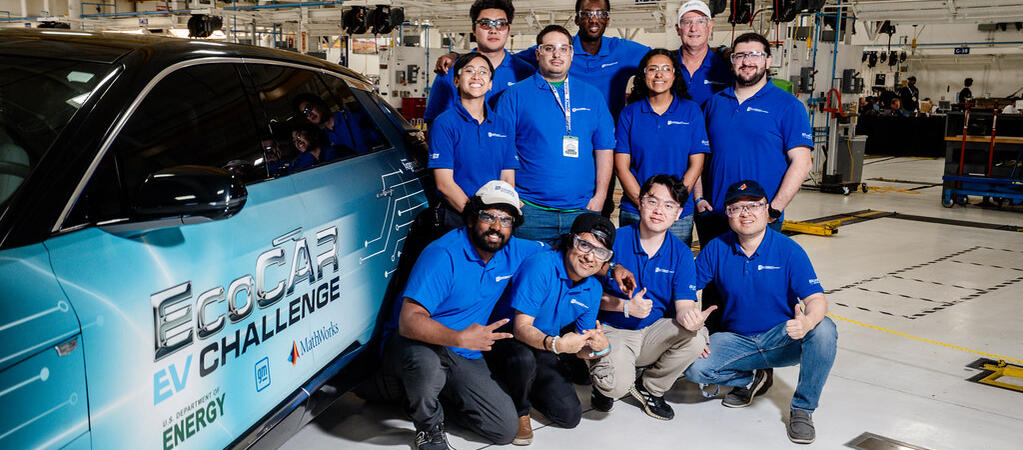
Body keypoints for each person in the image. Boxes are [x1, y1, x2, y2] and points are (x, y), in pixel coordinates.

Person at [380, 180, 547, 450]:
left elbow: (565, 255)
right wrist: (459, 337)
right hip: (417, 342)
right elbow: (408, 321)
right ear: (471, 218)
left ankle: (426, 399)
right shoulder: (442, 253)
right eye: (488, 216)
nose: (496, 226)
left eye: (505, 219)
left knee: (503, 429)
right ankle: (428, 427)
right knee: (427, 366)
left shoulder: (514, 249)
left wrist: (611, 269)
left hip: (463, 350)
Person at [683, 179, 838, 445]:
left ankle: (803, 409)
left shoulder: (789, 250)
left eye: (753, 206)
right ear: (728, 215)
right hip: (737, 340)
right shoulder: (716, 248)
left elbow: (816, 299)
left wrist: (807, 322)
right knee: (693, 368)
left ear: (767, 210)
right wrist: (690, 315)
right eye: (736, 208)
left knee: (824, 329)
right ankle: (747, 378)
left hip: (782, 337)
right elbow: (687, 289)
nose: (745, 214)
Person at [693, 32, 812, 333]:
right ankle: (718, 357)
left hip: (762, 218)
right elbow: (698, 156)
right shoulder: (714, 104)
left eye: (755, 55)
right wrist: (699, 198)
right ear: (732, 61)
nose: (747, 62)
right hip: (716, 216)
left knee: (760, 293)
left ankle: (760, 366)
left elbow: (802, 162)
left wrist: (775, 207)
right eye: (740, 55)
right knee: (717, 293)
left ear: (768, 60)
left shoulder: (788, 106)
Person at [588, 175, 709, 421]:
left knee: (697, 338)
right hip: (612, 329)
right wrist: (624, 307)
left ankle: (651, 387)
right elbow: (583, 297)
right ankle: (604, 378)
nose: (658, 211)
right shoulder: (614, 241)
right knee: (616, 386)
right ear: (640, 202)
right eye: (652, 201)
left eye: (668, 206)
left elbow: (684, 304)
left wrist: (693, 320)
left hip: (651, 330)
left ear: (678, 214)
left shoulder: (682, 253)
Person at [487, 213, 614, 445]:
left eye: (600, 252)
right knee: (523, 359)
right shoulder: (541, 265)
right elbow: (521, 328)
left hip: (544, 343)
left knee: (569, 416)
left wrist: (600, 350)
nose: (590, 257)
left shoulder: (593, 288)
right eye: (584, 245)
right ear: (570, 241)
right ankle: (519, 409)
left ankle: (522, 384)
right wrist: (556, 344)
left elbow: (580, 349)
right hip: (505, 338)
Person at [494, 25, 615, 246]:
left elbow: (604, 149)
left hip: (581, 211)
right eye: (549, 48)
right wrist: (511, 198)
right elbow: (502, 150)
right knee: (527, 276)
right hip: (530, 212)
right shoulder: (514, 96)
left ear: (571, 53)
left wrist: (600, 197)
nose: (557, 54)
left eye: (563, 48)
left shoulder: (592, 96)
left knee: (575, 278)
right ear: (538, 53)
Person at [615, 49, 709, 246]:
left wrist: (673, 204)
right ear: (643, 74)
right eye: (653, 69)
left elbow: (696, 163)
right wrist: (645, 205)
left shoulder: (691, 111)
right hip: (635, 211)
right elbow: (622, 167)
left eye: (666, 69)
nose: (659, 74)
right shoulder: (629, 114)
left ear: (675, 75)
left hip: (678, 214)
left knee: (672, 271)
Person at [428, 53, 519, 232]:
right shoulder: (444, 123)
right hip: (458, 216)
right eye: (468, 71)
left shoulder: (503, 125)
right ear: (456, 81)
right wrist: (477, 218)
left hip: (495, 220)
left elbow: (507, 179)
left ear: (491, 83)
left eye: (483, 72)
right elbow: (444, 184)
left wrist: (498, 216)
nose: (476, 76)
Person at [423, 0, 534, 124]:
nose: (493, 30)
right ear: (474, 29)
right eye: (485, 24)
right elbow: (434, 122)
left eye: (500, 24)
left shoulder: (526, 73)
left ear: (508, 30)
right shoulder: (450, 70)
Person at [675, 0, 734, 107]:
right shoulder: (665, 68)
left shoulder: (728, 68)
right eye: (687, 22)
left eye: (700, 22)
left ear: (710, 26)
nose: (693, 28)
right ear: (678, 29)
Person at [292, 93, 366, 156]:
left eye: (309, 108)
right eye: (305, 114)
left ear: (319, 103)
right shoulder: (325, 138)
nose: (309, 114)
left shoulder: (350, 116)